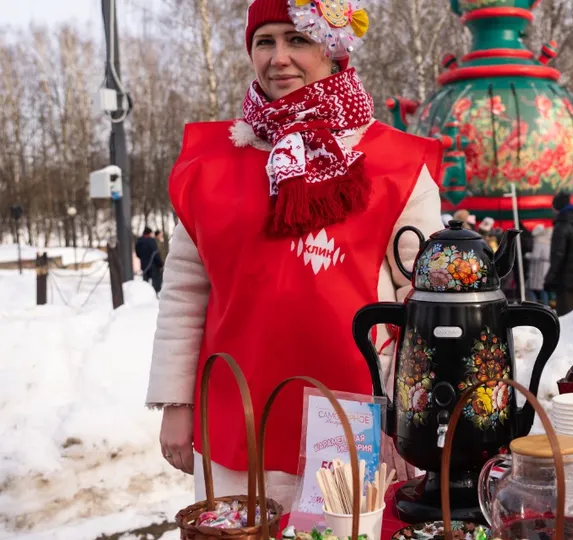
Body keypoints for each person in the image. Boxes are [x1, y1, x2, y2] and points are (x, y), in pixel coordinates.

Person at [145, 0, 444, 512]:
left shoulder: (393, 163)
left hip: (355, 419)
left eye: (297, 39)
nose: (278, 57)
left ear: (332, 48)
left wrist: (409, 416)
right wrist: (175, 402)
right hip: (237, 418)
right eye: (265, 41)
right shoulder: (210, 166)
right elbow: (183, 293)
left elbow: (423, 302)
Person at [544, 192, 573, 316]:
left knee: (565, 316)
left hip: (564, 280)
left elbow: (558, 255)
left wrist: (550, 278)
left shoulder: (561, 227)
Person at [526, 224, 551, 305]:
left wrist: (527, 255)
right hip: (545, 268)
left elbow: (535, 256)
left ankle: (534, 306)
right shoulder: (548, 241)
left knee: (530, 289)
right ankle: (545, 306)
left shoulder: (538, 241)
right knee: (543, 289)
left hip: (538, 269)